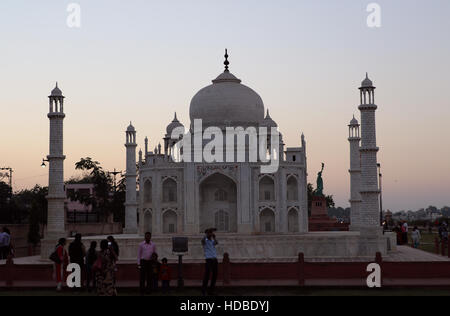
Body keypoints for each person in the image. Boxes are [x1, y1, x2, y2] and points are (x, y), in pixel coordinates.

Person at [201, 228, 218, 296]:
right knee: (207, 276)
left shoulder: (212, 240)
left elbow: (216, 243)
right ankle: (204, 291)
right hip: (208, 260)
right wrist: (207, 233)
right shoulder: (205, 240)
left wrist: (214, 237)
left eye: (211, 232)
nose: (211, 233)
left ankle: (211, 291)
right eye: (209, 233)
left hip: (214, 259)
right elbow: (202, 241)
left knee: (215, 275)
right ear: (207, 233)